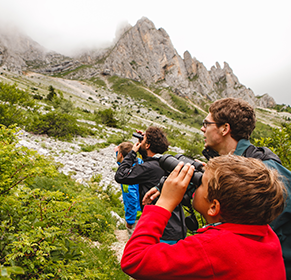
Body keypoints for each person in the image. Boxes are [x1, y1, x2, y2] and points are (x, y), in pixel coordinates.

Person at [121, 155, 286, 280]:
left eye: (201, 183)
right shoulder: (266, 235)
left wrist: (164, 202)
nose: (195, 185)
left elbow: (134, 259)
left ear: (213, 207)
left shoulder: (212, 247)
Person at [201, 97, 291, 278]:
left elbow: (255, 238)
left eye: (206, 123)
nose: (202, 128)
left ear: (225, 128)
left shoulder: (265, 175)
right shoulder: (242, 167)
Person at [115, 126, 186, 243]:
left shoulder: (149, 168)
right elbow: (147, 161)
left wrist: (132, 152)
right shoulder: (162, 164)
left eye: (143, 140)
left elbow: (121, 175)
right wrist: (144, 143)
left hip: (163, 231)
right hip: (175, 226)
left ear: (148, 145)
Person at [116, 142, 143, 237]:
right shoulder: (139, 163)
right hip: (145, 212)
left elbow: (132, 198)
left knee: (135, 243)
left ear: (121, 154)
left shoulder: (126, 176)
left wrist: (130, 220)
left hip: (136, 216)